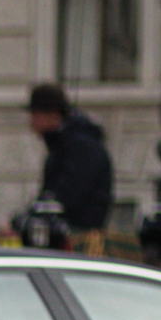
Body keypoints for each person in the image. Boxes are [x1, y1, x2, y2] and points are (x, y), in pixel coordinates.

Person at [23, 84, 113, 253]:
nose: (32, 120)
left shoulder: (80, 147)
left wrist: (26, 220)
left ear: (53, 114)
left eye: (35, 114)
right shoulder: (62, 145)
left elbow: (65, 196)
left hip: (79, 238)